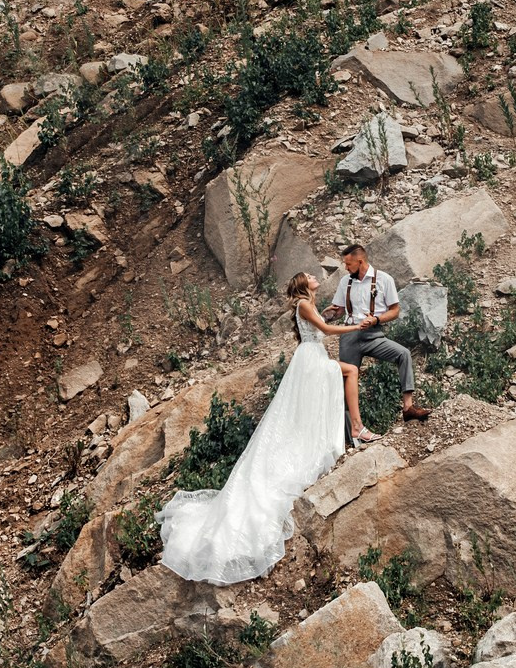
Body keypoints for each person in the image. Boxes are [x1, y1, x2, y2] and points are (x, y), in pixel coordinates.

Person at [157, 273, 375, 585]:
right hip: (311, 360)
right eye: (310, 276)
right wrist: (357, 326)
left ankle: (352, 429)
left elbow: (320, 324)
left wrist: (331, 312)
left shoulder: (308, 304)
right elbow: (325, 330)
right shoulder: (302, 304)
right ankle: (356, 428)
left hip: (311, 357)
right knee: (350, 371)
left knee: (323, 397)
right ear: (302, 284)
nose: (315, 277)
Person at [325, 244, 433, 422]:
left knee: (403, 354)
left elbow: (395, 311)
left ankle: (408, 407)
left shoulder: (384, 279)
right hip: (350, 336)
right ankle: (346, 428)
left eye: (348, 264)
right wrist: (325, 316)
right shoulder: (346, 282)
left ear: (360, 261)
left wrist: (376, 320)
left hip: (374, 335)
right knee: (345, 380)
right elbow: (339, 311)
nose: (346, 268)